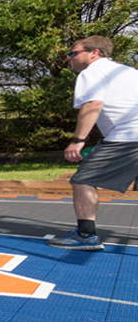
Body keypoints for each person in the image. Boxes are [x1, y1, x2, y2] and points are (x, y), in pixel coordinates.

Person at [48, 36, 138, 251]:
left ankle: (85, 235)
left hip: (127, 137)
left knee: (83, 180)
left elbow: (93, 104)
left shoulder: (92, 72)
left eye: (73, 53)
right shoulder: (129, 72)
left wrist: (78, 141)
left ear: (94, 53)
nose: (69, 58)